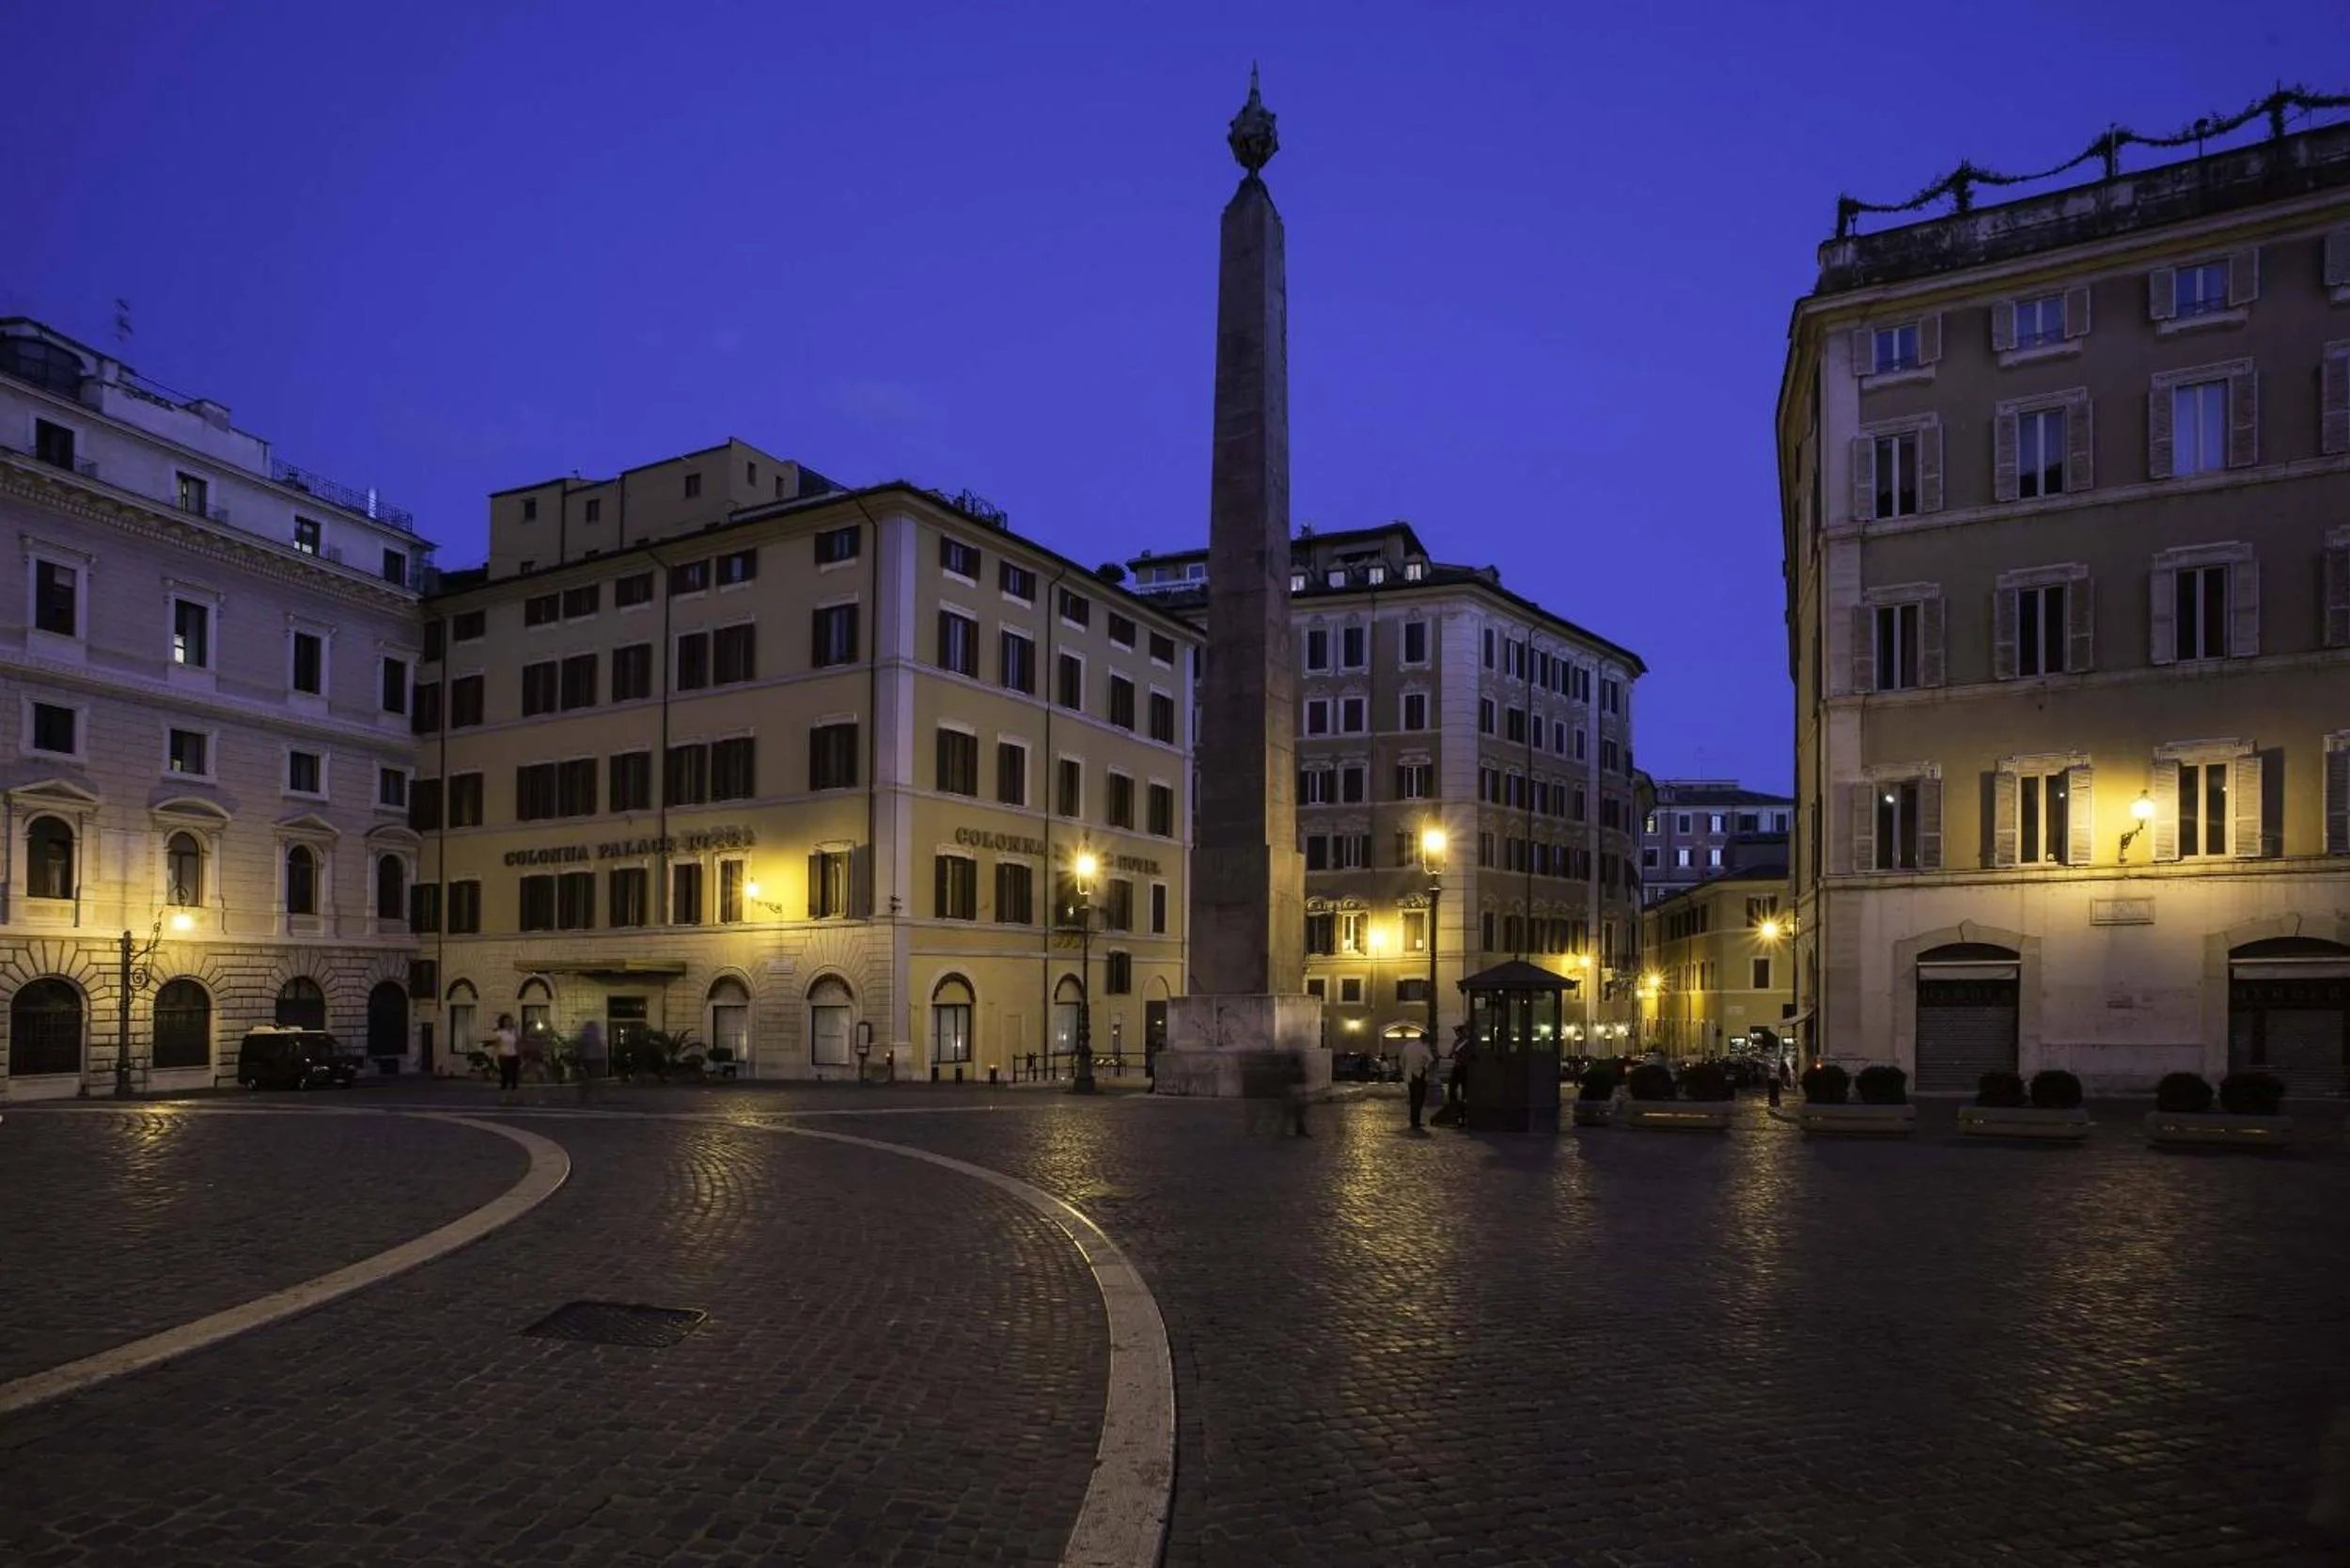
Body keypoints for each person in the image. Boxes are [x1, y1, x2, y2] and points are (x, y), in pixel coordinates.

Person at [1401, 1031, 1434, 1131]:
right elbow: (1431, 1059)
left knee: (1413, 1098)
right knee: (1419, 1099)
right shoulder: (1423, 1047)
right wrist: (1426, 1068)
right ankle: (1416, 1122)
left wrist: (1404, 1071)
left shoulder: (1408, 1046)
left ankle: (1413, 1121)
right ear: (1425, 1040)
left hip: (1409, 1075)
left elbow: (1402, 1061)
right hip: (1419, 1075)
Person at [575, 1019, 606, 1102]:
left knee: (588, 1079)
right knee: (592, 1079)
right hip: (593, 1060)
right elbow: (600, 1048)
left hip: (589, 1060)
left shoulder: (585, 1038)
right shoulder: (594, 1038)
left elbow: (581, 1049)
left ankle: (586, 1095)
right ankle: (591, 1096)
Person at [1284, 1047, 1310, 1137]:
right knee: (1298, 1114)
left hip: (1294, 1092)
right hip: (1296, 1093)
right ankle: (1298, 1130)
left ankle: (1296, 1131)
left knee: (1296, 1114)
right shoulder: (1296, 1070)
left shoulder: (1289, 1070)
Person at [494, 1014, 521, 1100]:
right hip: (504, 1055)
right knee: (505, 1075)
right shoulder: (500, 1032)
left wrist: (516, 1030)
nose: (508, 1022)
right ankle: (504, 1094)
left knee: (514, 1074)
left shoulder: (514, 1031)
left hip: (514, 1054)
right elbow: (498, 1044)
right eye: (506, 1021)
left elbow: (518, 1041)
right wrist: (496, 1055)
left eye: (510, 1020)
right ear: (503, 1023)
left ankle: (514, 1094)